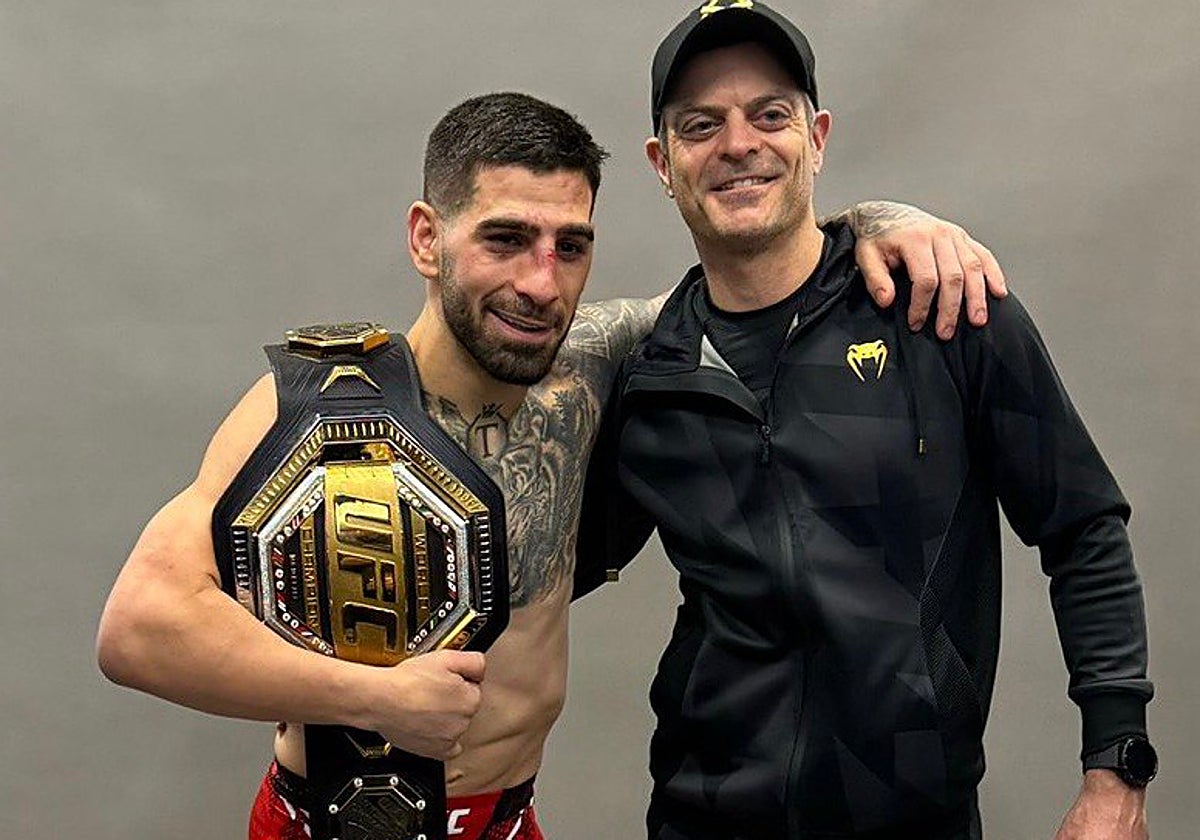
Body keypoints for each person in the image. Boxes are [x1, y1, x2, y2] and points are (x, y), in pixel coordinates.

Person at [96, 91, 1003, 840]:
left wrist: (887, 220)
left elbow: (761, 270)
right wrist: (372, 697)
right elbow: (138, 627)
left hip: (508, 821)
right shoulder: (317, 408)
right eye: (504, 239)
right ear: (426, 237)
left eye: (570, 247)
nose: (541, 283)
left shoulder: (597, 364)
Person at [580, 3, 1155, 839]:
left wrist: (1117, 769)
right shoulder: (650, 378)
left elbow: (1085, 530)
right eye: (701, 125)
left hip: (916, 816)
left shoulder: (943, 311)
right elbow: (541, 579)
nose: (738, 144)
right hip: (700, 817)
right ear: (661, 163)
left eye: (769, 115)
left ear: (815, 136)